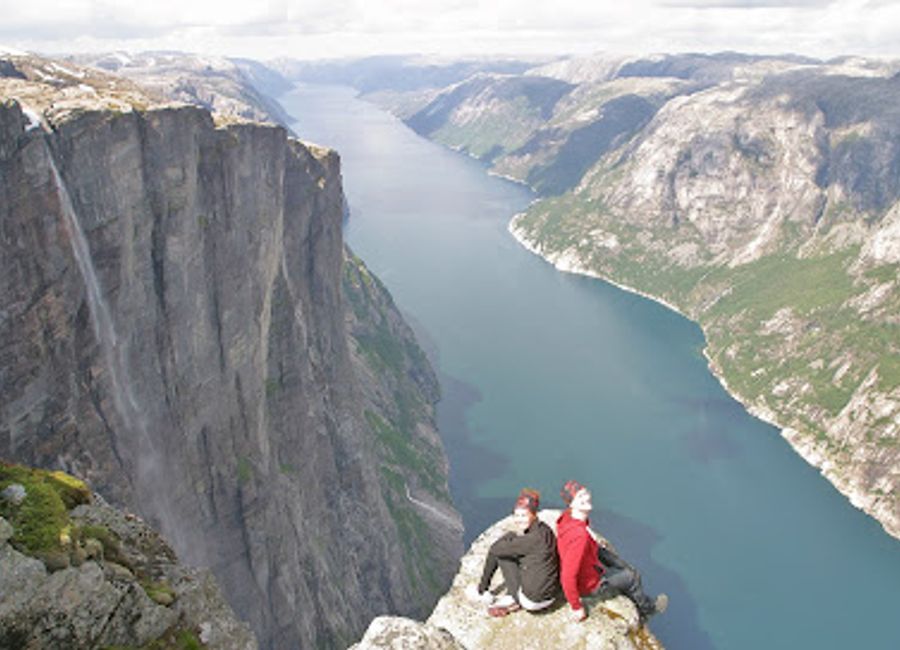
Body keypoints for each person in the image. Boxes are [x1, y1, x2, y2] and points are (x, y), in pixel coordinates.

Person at [556, 480, 668, 623]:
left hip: (590, 557)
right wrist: (576, 607)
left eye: (585, 493)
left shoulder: (567, 517)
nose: (586, 498)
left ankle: (624, 578)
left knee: (621, 564)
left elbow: (576, 536)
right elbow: (567, 576)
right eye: (580, 497)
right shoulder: (579, 536)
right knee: (633, 577)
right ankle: (647, 610)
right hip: (589, 584)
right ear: (571, 504)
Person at [466, 488, 560, 617]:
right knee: (511, 547)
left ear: (534, 515)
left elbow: (495, 549)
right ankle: (509, 596)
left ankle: (482, 591)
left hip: (532, 601)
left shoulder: (531, 540)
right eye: (517, 515)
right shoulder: (545, 530)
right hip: (551, 596)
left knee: (501, 554)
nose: (519, 520)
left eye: (524, 515)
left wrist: (509, 537)